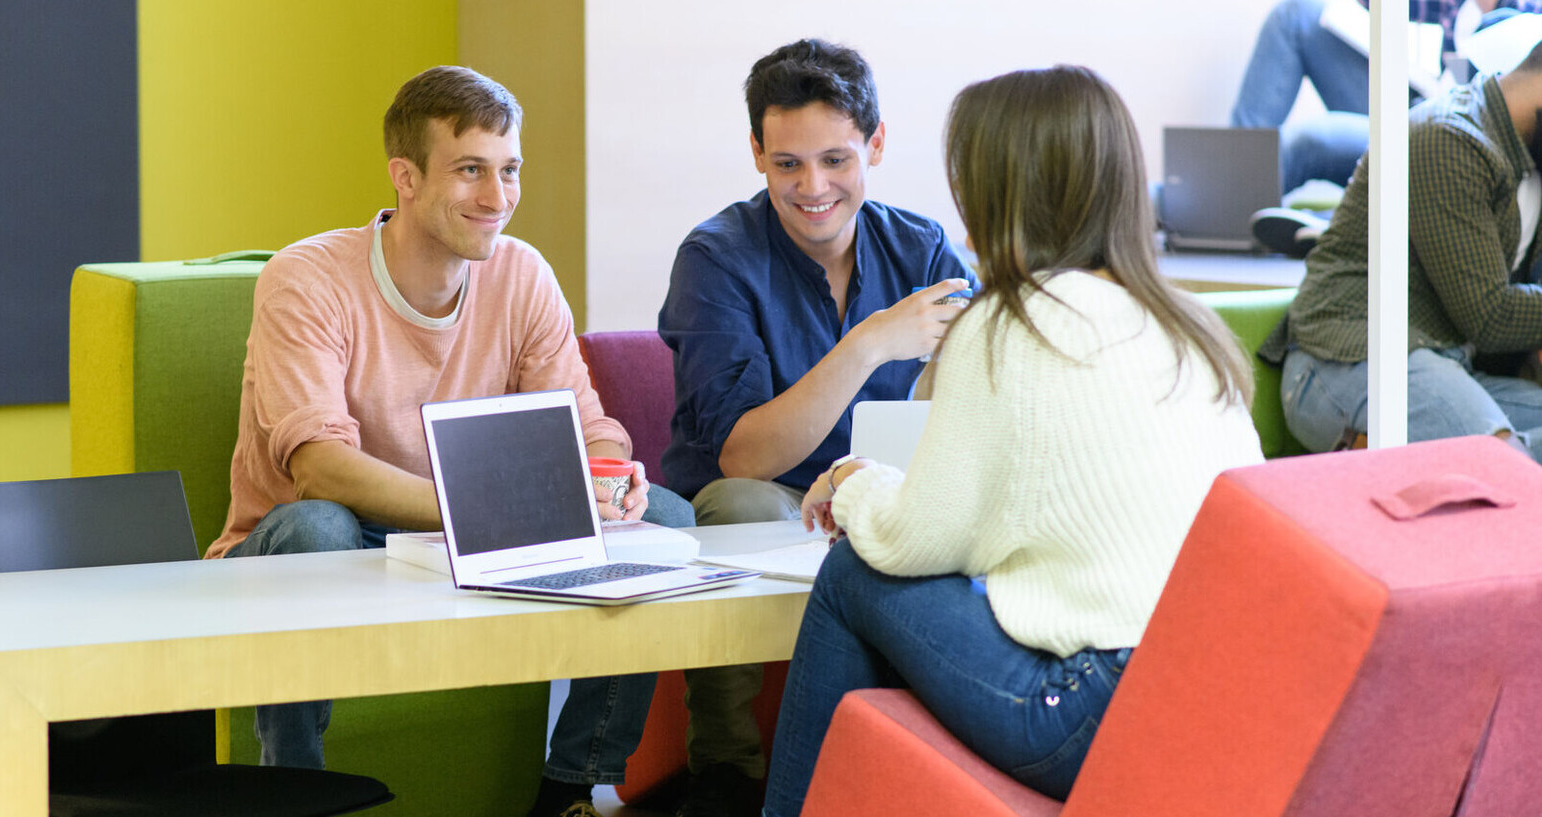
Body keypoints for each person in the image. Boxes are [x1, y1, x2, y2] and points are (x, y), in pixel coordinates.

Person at [762, 65, 1265, 816]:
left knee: (852, 570)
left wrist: (851, 482)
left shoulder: (1012, 323)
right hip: (1215, 707)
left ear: (1002, 189)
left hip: (1087, 713)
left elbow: (913, 541)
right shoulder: (1185, 324)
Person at [202, 65, 694, 817]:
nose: (498, 199)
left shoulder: (522, 274)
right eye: (470, 171)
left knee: (666, 517)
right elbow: (320, 471)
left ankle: (574, 787)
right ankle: (291, 788)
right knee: (318, 528)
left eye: (509, 170)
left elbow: (584, 423)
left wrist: (609, 473)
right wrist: (481, 510)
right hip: (334, 533)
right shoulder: (305, 278)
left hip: (472, 531)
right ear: (405, 176)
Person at [654, 39, 973, 817]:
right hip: (759, 497)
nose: (814, 187)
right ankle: (726, 772)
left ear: (876, 144)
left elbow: (978, 387)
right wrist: (868, 345)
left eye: (836, 159)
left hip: (876, 490)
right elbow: (746, 454)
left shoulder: (922, 246)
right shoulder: (716, 258)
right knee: (744, 502)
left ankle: (909, 767)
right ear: (757, 153)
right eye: (788, 164)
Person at [1261, 28, 1542, 461]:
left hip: (1448, 367)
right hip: (1350, 359)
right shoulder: (1449, 137)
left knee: (1503, 467)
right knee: (1501, 469)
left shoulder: (1530, 161)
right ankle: (1397, 463)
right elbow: (1492, 316)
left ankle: (1405, 462)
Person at [1237, 0, 1542, 255]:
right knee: (1297, 14)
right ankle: (1231, 194)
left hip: (1454, 140)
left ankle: (1338, 227)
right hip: (1409, 106)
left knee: (1309, 141)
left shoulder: (1526, 14)